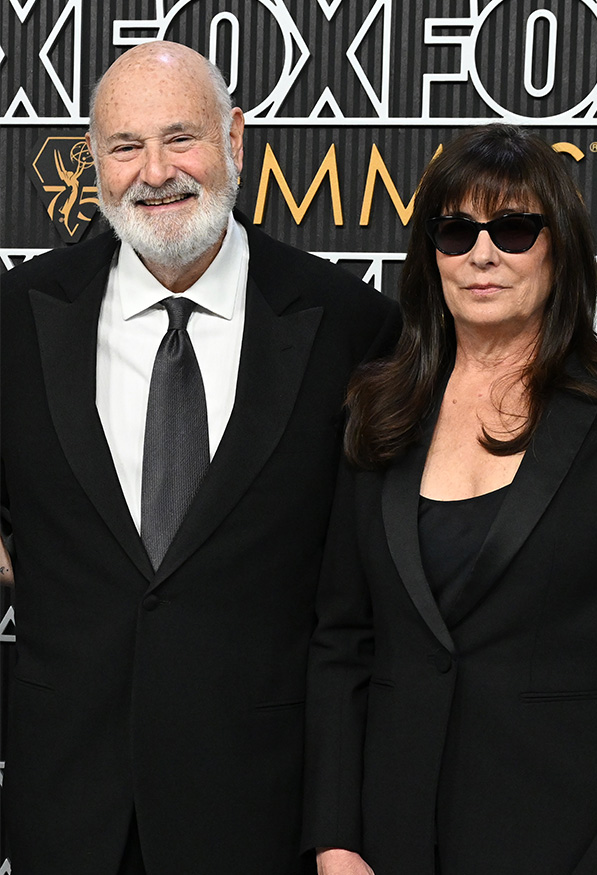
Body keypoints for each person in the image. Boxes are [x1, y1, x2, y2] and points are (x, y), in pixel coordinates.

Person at [0, 41, 397, 875]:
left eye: (180, 137)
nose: (155, 171)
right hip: (64, 811)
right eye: (124, 146)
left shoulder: (347, 328)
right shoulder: (15, 317)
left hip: (259, 813)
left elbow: (354, 616)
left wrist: (339, 829)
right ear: (96, 164)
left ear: (235, 141)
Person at [303, 125, 597, 875]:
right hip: (391, 844)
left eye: (514, 228)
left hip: (568, 844)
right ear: (431, 256)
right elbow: (341, 640)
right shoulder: (379, 408)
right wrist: (336, 839)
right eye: (456, 231)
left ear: (561, 247)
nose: (483, 253)